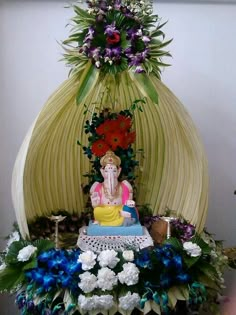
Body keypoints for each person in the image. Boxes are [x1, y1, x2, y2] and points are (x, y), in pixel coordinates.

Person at [90, 150, 138, 226]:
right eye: (106, 171)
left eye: (114, 171)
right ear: (102, 172)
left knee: (127, 214)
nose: (110, 174)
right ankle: (110, 222)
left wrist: (129, 204)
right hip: (105, 211)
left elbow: (127, 205)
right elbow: (96, 206)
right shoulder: (98, 187)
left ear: (119, 171)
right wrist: (95, 204)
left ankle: (106, 223)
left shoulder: (124, 186)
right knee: (97, 211)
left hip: (119, 211)